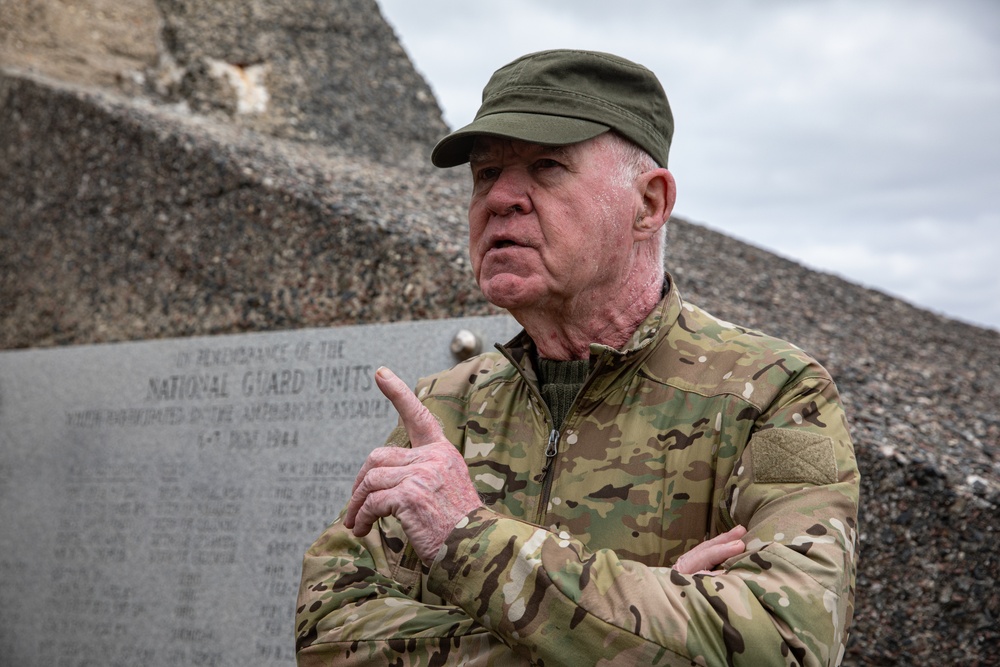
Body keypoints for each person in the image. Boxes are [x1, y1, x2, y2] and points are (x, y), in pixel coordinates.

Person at [295, 49, 859, 666]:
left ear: (648, 204)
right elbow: (329, 632)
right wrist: (641, 631)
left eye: (546, 165)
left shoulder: (771, 394)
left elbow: (784, 643)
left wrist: (465, 540)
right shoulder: (444, 407)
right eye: (485, 174)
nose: (501, 198)